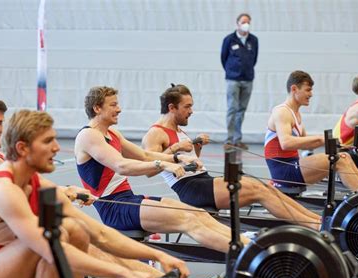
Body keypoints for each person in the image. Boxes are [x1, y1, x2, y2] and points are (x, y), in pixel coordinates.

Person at [0, 110, 188, 278]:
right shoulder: (2, 189)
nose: (57, 148)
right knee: (47, 240)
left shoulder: (38, 185)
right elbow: (49, 250)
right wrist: (124, 274)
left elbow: (99, 234)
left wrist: (158, 256)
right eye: (48, 141)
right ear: (23, 148)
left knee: (75, 230)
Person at [0, 96, 170, 278]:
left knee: (80, 235)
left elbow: (100, 233)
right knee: (66, 243)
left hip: (6, 243)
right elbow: (2, 194)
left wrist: (66, 190)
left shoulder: (0, 158)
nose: (57, 149)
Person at [75, 86, 253, 253]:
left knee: (198, 213)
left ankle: (248, 244)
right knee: (188, 220)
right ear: (97, 108)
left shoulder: (113, 133)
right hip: (114, 208)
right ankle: (245, 254)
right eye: (113, 105)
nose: (119, 109)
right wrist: (162, 164)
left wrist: (176, 158)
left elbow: (144, 156)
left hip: (128, 199)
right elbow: (121, 165)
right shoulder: (89, 135)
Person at [141, 84, 320, 230]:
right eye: (187, 107)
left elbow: (191, 161)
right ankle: (314, 225)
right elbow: (149, 170)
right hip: (192, 189)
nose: (192, 111)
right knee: (259, 191)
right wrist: (176, 147)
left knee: (263, 187)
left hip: (202, 180)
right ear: (172, 108)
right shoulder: (155, 134)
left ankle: (317, 220)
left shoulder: (178, 129)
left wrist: (196, 147)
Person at [0, 96, 94, 206]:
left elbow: (36, 183)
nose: (2, 129)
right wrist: (62, 194)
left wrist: (68, 189)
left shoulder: (0, 156)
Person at [264, 71, 358, 192]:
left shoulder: (296, 114)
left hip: (292, 165)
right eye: (308, 90)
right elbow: (286, 143)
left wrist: (330, 143)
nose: (311, 94)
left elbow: (304, 144)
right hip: (283, 171)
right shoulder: (282, 112)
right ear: (294, 89)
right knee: (340, 159)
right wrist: (321, 139)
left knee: (345, 157)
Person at [221, 13, 259, 150]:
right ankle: (229, 139)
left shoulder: (253, 40)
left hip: (248, 79)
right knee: (232, 108)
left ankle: (238, 139)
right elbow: (223, 58)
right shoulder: (229, 39)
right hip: (233, 79)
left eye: (248, 22)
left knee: (241, 110)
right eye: (243, 22)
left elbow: (254, 59)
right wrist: (231, 71)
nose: (246, 24)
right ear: (237, 24)